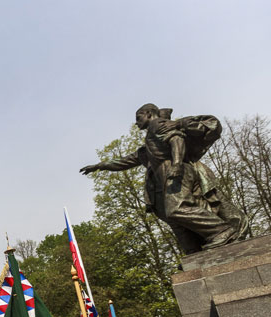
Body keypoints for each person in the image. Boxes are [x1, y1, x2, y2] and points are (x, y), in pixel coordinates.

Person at [81, 104, 248, 254]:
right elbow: (125, 161)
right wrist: (99, 166)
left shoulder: (157, 124)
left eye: (138, 118)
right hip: (167, 176)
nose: (136, 122)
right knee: (173, 217)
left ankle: (222, 230)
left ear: (148, 114)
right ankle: (194, 252)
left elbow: (176, 139)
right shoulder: (149, 142)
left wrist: (176, 164)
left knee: (176, 209)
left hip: (175, 171)